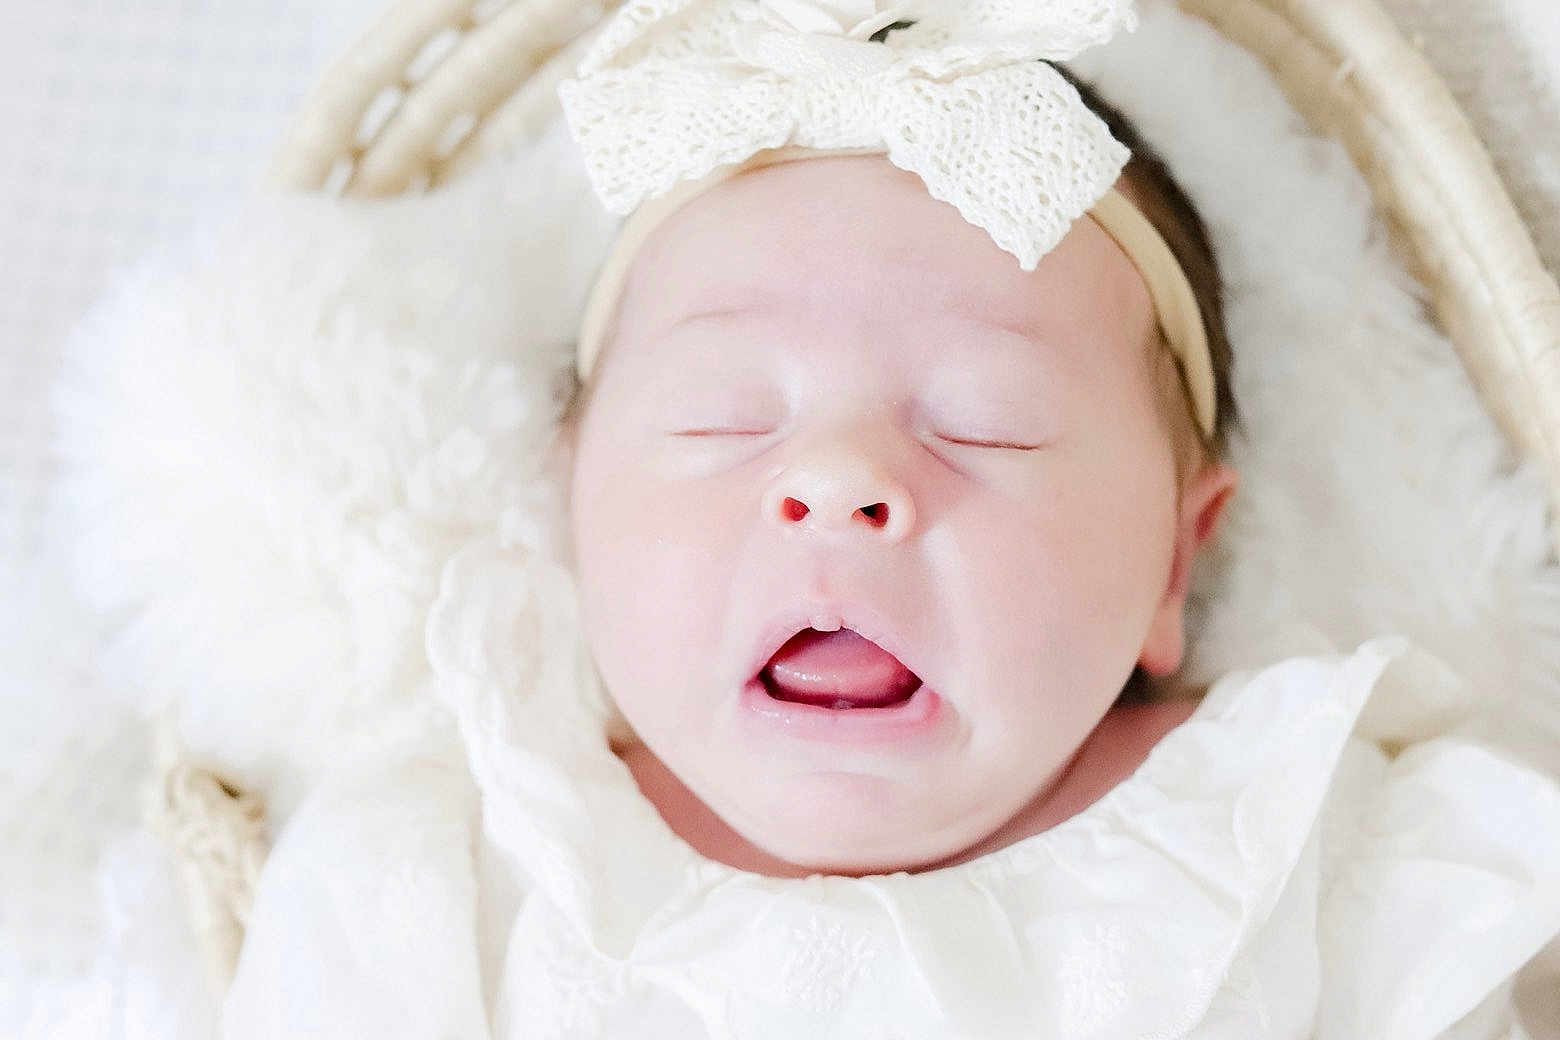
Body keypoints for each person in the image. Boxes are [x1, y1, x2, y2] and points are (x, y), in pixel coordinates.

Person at [224, 2, 1560, 1036]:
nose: (843, 481)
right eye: (723, 418)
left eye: (985, 423)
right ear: (571, 499)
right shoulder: (442, 872)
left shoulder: (1303, 840)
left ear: (1175, 560)